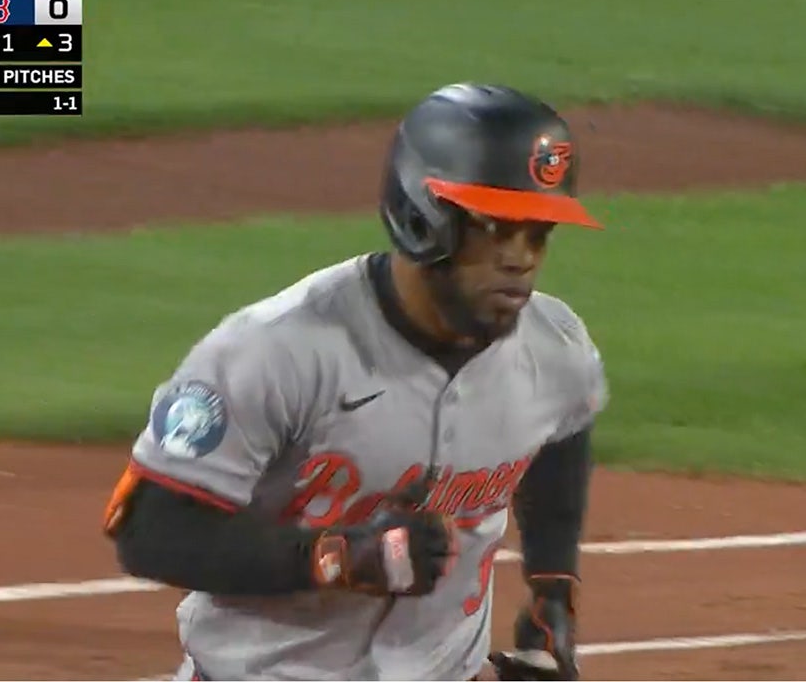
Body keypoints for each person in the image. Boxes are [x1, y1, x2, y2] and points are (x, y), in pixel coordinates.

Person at [102, 82, 609, 681]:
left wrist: (552, 591)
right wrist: (334, 557)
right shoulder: (277, 348)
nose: (520, 258)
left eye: (538, 233)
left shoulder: (554, 345)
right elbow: (149, 530)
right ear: (426, 216)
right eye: (496, 228)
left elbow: (561, 431)